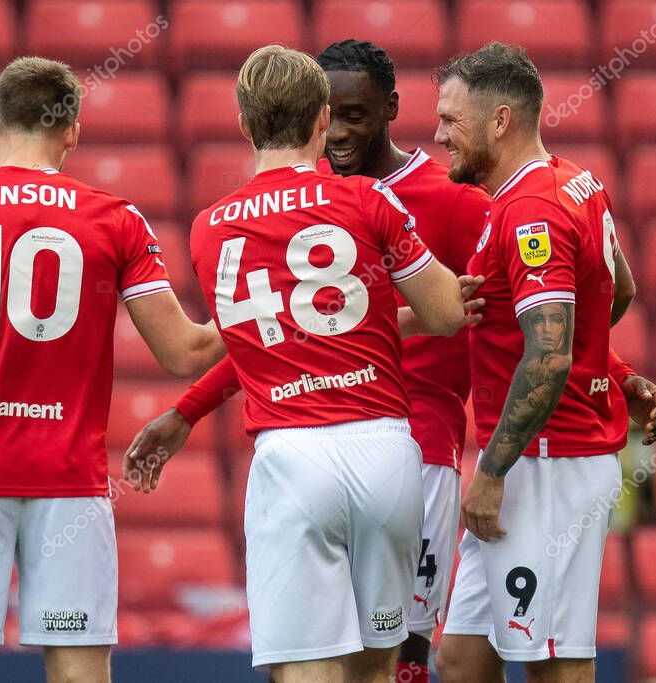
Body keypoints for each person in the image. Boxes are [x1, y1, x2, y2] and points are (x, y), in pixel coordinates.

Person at [128, 39, 487, 683]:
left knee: (303, 665)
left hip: (292, 453)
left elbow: (243, 338)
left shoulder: (211, 226)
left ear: (243, 123)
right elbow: (443, 315)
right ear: (322, 117)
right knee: (385, 664)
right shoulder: (371, 201)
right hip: (389, 450)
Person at [0, 56, 225, 683]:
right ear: (72, 132)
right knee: (78, 670)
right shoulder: (116, 219)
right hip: (69, 482)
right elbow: (186, 353)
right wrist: (270, 305)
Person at [429, 43, 656, 683]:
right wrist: (614, 373)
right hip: (532, 456)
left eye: (450, 120)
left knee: (553, 663)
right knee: (461, 660)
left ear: (499, 120)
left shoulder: (531, 211)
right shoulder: (574, 181)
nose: (439, 135)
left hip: (548, 465)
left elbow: (550, 351)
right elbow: (615, 293)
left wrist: (492, 471)